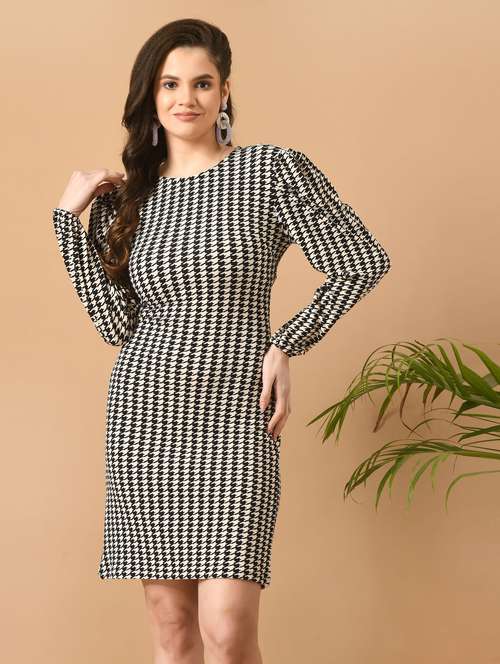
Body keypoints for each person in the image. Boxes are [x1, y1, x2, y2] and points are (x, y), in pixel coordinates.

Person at [52, 17, 391, 664]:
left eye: (202, 83)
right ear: (150, 95)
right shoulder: (126, 201)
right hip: (146, 415)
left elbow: (360, 260)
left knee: (228, 631)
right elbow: (116, 325)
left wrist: (285, 344)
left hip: (235, 413)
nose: (186, 98)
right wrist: (68, 225)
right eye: (170, 84)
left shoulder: (271, 172)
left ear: (225, 91)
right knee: (173, 631)